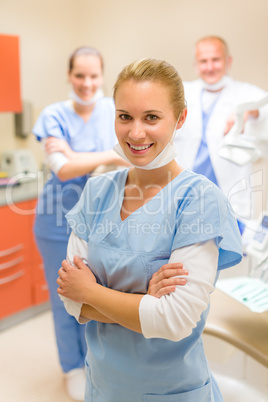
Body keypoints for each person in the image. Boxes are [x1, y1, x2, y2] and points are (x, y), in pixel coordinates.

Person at [56, 58, 243, 401]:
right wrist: (144, 304)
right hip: (102, 386)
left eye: (152, 117)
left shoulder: (199, 199)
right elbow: (70, 298)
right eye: (124, 116)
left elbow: (175, 320)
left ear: (180, 118)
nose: (135, 132)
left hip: (172, 390)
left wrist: (93, 293)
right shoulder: (97, 191)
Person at [32, 46, 126, 401]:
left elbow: (128, 156)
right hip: (56, 222)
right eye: (79, 75)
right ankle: (72, 366)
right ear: (69, 75)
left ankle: (95, 364)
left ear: (102, 76)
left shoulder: (112, 110)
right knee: (64, 298)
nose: (87, 83)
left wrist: (77, 154)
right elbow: (64, 169)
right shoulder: (53, 114)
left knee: (97, 296)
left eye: (93, 76)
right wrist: (101, 157)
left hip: (102, 220)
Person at [174, 36, 268, 231]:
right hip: (186, 195)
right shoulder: (182, 92)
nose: (210, 67)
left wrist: (250, 112)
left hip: (231, 196)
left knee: (226, 253)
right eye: (203, 61)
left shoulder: (246, 93)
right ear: (195, 65)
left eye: (215, 60)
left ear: (228, 61)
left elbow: (264, 109)